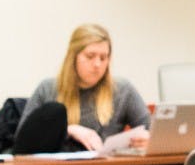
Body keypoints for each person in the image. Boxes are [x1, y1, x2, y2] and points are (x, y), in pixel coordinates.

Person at [13, 23, 151, 155]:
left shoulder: (123, 90)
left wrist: (147, 140)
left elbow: (151, 131)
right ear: (73, 57)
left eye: (103, 58)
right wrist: (68, 130)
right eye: (90, 56)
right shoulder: (47, 88)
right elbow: (21, 143)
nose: (97, 64)